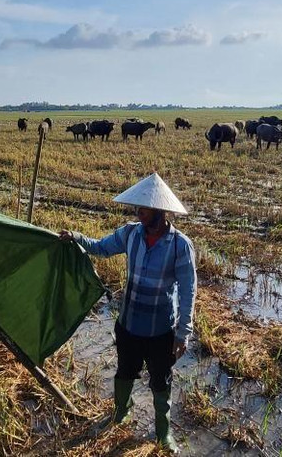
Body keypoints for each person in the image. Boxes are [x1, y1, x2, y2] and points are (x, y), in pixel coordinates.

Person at [59, 173, 196, 453]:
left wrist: (183, 333)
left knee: (161, 382)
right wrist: (76, 237)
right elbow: (100, 247)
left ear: (159, 210)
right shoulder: (130, 233)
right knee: (124, 372)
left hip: (161, 331)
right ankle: (121, 412)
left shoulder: (180, 245)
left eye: (143, 208)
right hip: (129, 325)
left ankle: (163, 432)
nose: (138, 212)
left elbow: (188, 291)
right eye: (137, 207)